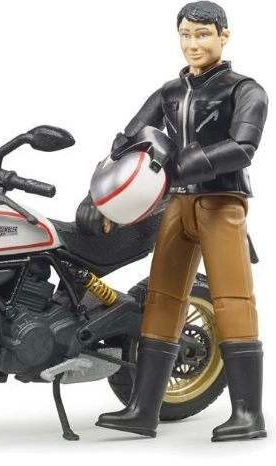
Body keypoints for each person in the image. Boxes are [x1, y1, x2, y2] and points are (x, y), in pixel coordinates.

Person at [93, 1, 268, 441]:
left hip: (221, 203)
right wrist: (99, 197)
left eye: (203, 34)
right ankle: (143, 409)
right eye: (186, 35)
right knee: (162, 299)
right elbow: (128, 143)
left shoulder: (245, 90)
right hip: (175, 204)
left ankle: (248, 414)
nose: (193, 44)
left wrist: (182, 165)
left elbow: (243, 147)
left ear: (224, 36)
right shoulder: (168, 92)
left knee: (232, 300)